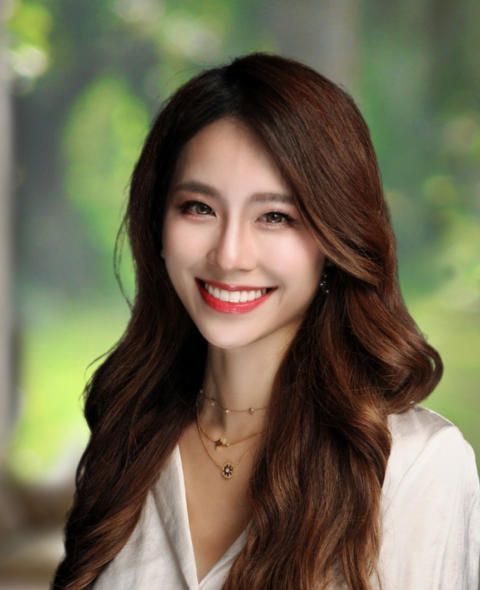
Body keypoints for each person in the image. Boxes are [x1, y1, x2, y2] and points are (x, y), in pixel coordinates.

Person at [52, 53, 480, 590]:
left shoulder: (418, 467)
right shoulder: (127, 436)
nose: (230, 255)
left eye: (275, 216)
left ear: (335, 239)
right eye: (198, 208)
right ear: (157, 224)